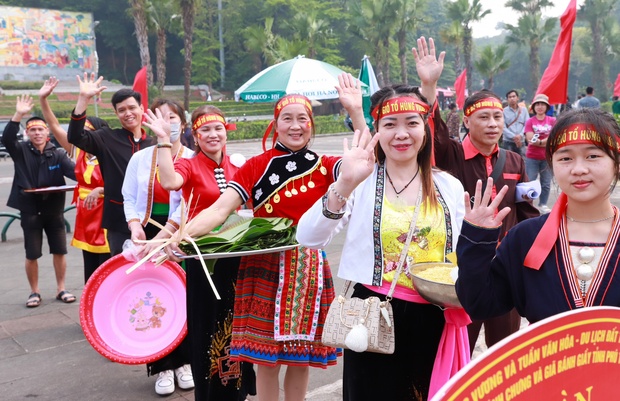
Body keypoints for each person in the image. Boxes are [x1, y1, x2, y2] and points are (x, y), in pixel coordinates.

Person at [296, 39, 470, 400]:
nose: (402, 133)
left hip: (434, 318)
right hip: (372, 318)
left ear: (425, 129)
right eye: (390, 124)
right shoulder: (360, 182)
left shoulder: (448, 186)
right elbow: (308, 237)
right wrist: (342, 185)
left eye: (411, 123)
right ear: (378, 130)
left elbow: (460, 256)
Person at [164, 94, 344, 401]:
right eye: (287, 118)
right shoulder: (256, 166)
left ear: (312, 124)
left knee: (300, 358)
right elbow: (219, 211)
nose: (295, 125)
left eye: (303, 118)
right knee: (266, 359)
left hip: (307, 267)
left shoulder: (326, 165)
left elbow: (363, 171)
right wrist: (182, 235)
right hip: (264, 265)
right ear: (275, 125)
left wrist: (355, 111)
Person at [457, 108, 620, 325]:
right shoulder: (525, 237)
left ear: (616, 163)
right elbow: (480, 303)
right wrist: (476, 239)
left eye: (592, 156)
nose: (578, 169)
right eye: (565, 158)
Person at [144, 104, 255, 400]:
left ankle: (237, 389)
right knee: (207, 325)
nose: (213, 134)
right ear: (195, 134)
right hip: (203, 262)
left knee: (238, 324)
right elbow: (169, 182)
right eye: (205, 129)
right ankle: (209, 392)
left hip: (238, 262)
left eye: (218, 128)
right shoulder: (189, 165)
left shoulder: (239, 166)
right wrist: (164, 141)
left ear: (226, 131)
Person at [433, 85, 540, 352]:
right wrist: (428, 87)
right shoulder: (452, 156)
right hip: (464, 266)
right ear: (467, 121)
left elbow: (526, 212)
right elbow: (433, 135)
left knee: (503, 348)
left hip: (506, 265)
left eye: (497, 116)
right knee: (460, 345)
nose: (492, 124)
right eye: (483, 117)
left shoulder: (515, 160)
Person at [122, 99, 195, 396]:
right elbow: (128, 196)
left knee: (184, 300)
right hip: (146, 236)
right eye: (160, 117)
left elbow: (191, 202)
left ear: (183, 122)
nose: (167, 122)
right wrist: (135, 225)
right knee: (153, 302)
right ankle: (161, 366)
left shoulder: (193, 157)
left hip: (182, 236)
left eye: (173, 117)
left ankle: (185, 362)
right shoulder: (140, 158)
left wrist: (167, 235)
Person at [67, 73, 156, 255]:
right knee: (124, 273)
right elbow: (75, 137)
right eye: (122, 110)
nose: (128, 113)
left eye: (132, 108)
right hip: (119, 221)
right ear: (116, 114)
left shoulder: (155, 143)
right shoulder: (107, 138)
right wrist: (83, 99)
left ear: (141, 108)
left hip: (156, 219)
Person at [1, 95, 77, 307]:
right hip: (31, 211)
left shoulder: (58, 154)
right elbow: (7, 138)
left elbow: (77, 174)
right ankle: (34, 292)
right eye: (32, 130)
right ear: (27, 133)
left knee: (60, 250)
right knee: (32, 253)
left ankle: (61, 288)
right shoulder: (21, 151)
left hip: (54, 210)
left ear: (47, 132)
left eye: (40, 129)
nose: (37, 133)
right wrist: (18, 114)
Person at [38, 77, 111, 283]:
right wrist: (43, 99)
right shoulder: (77, 151)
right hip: (85, 216)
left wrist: (101, 190)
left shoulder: (109, 153)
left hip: (105, 217)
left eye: (88, 132)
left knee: (106, 269)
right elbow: (53, 125)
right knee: (89, 271)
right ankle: (89, 308)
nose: (83, 136)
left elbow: (123, 183)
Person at [524, 94, 556, 214]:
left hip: (547, 157)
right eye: (537, 104)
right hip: (532, 157)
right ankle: (528, 204)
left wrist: (541, 142)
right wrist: (544, 142)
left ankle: (543, 204)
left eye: (542, 104)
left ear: (547, 107)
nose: (540, 107)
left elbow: (553, 137)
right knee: (530, 181)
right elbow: (530, 138)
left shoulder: (552, 121)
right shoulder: (530, 121)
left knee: (546, 182)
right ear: (533, 107)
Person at [502, 89, 528, 156]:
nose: (512, 98)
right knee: (509, 162)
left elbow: (527, 124)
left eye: (514, 96)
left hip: (521, 141)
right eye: (510, 97)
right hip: (508, 141)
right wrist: (514, 136)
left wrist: (520, 135)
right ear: (507, 99)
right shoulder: (503, 111)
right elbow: (502, 127)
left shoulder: (524, 110)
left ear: (517, 98)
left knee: (521, 161)